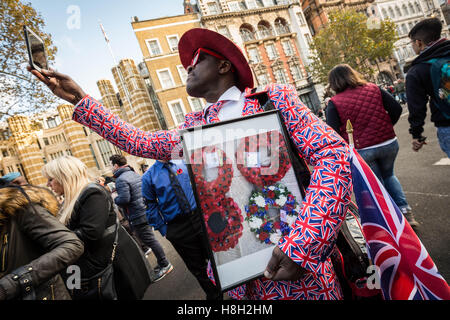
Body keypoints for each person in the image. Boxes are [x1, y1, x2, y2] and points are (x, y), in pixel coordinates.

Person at [29, 28, 353, 300]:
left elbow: (333, 157)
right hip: (242, 281)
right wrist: (80, 99)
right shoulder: (197, 126)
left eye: (196, 59)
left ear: (225, 65)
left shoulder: (273, 101)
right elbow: (140, 142)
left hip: (300, 274)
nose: (187, 67)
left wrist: (303, 244)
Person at [42, 156, 152, 299]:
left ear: (64, 176)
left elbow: (90, 233)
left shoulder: (92, 192)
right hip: (92, 267)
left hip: (112, 266)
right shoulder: (71, 199)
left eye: (50, 179)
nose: (48, 184)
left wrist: (54, 239)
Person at [326, 64, 419, 229]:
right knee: (389, 176)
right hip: (388, 142)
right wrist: (386, 126)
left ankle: (390, 222)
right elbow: (396, 108)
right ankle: (406, 213)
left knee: (376, 185)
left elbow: (333, 132)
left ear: (334, 83)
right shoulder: (373, 88)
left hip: (363, 149)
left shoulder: (334, 103)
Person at [142, 159, 220, 300]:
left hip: (199, 218)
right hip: (178, 228)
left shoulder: (182, 163)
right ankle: (214, 296)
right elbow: (150, 206)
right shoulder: (148, 177)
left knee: (216, 258)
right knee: (197, 267)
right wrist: (165, 230)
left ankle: (230, 289)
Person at [0, 184, 84, 300]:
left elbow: (73, 244)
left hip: (44, 293)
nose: (49, 184)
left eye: (51, 179)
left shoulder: (19, 207)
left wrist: (15, 281)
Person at [110, 154, 172, 281]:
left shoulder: (121, 179)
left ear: (116, 165)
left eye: (111, 165)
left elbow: (125, 199)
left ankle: (165, 264)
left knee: (150, 240)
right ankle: (162, 263)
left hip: (136, 214)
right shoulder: (133, 173)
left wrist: (115, 199)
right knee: (150, 239)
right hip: (143, 211)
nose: (111, 168)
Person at [406, 17, 450, 157]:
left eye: (411, 43)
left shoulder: (418, 70)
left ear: (419, 43)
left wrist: (416, 134)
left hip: (447, 123)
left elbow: (416, 107)